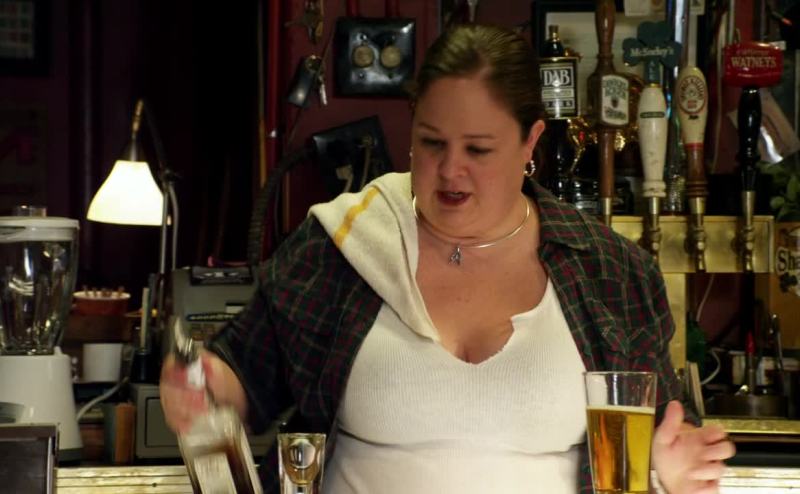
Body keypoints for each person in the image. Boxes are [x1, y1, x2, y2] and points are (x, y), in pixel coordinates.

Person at [161, 24, 734, 493]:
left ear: (530, 142)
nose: (450, 169)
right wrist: (201, 387)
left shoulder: (608, 270)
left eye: (478, 149)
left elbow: (658, 438)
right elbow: (241, 377)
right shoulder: (344, 243)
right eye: (432, 142)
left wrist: (672, 466)